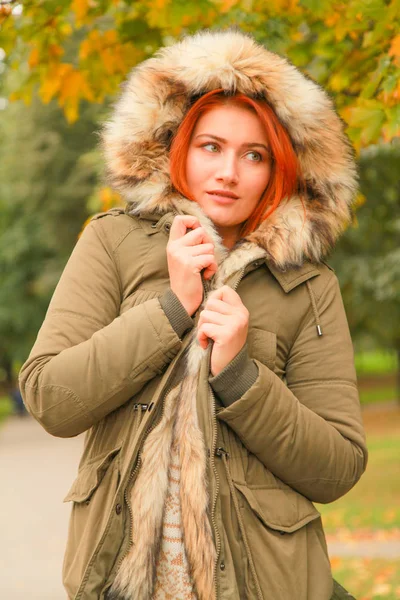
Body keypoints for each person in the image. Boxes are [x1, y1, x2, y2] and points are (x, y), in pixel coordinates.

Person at [19, 29, 367, 600]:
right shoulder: (113, 241)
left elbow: (336, 469)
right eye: (211, 146)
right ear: (175, 147)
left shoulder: (309, 285)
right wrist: (170, 310)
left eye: (253, 154)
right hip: (126, 579)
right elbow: (50, 398)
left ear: (279, 168)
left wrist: (241, 375)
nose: (229, 171)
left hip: (266, 583)